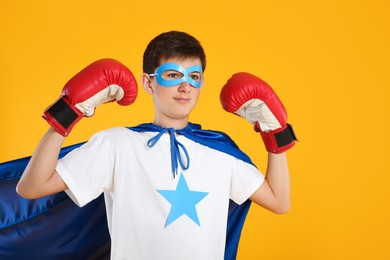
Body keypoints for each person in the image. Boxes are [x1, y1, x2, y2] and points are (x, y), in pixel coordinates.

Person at [16, 31, 297, 259]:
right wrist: (68, 113)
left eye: (194, 77)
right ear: (148, 83)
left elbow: (279, 201)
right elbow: (32, 187)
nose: (185, 87)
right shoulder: (117, 144)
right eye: (173, 75)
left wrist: (276, 133)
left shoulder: (220, 150)